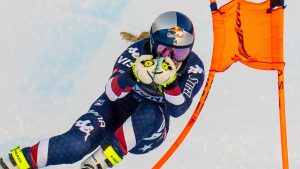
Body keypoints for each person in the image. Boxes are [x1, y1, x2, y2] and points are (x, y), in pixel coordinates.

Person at [0, 11, 205, 169]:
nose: (169, 58)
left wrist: (169, 84)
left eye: (180, 51)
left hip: (148, 132)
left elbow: (178, 110)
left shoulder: (194, 67)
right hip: (115, 110)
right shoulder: (136, 51)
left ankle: (102, 160)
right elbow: (112, 93)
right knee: (75, 145)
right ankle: (15, 162)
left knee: (151, 111)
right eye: (163, 49)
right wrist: (132, 75)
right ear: (151, 43)